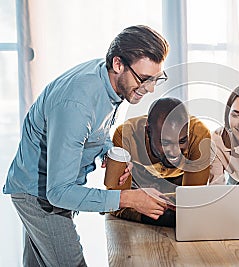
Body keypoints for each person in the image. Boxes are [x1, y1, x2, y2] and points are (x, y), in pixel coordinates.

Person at [3, 25, 170, 266]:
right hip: (39, 194)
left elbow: (94, 129)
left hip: (47, 189)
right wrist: (128, 199)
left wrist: (107, 151)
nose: (151, 88)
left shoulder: (108, 82)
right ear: (118, 64)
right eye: (144, 79)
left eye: (156, 79)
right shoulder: (76, 103)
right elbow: (59, 192)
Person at [110, 97, 211, 227]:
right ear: (148, 132)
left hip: (179, 183)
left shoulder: (200, 136)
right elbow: (116, 201)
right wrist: (158, 216)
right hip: (140, 185)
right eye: (165, 143)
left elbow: (193, 201)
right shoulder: (125, 135)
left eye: (181, 141)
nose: (175, 152)